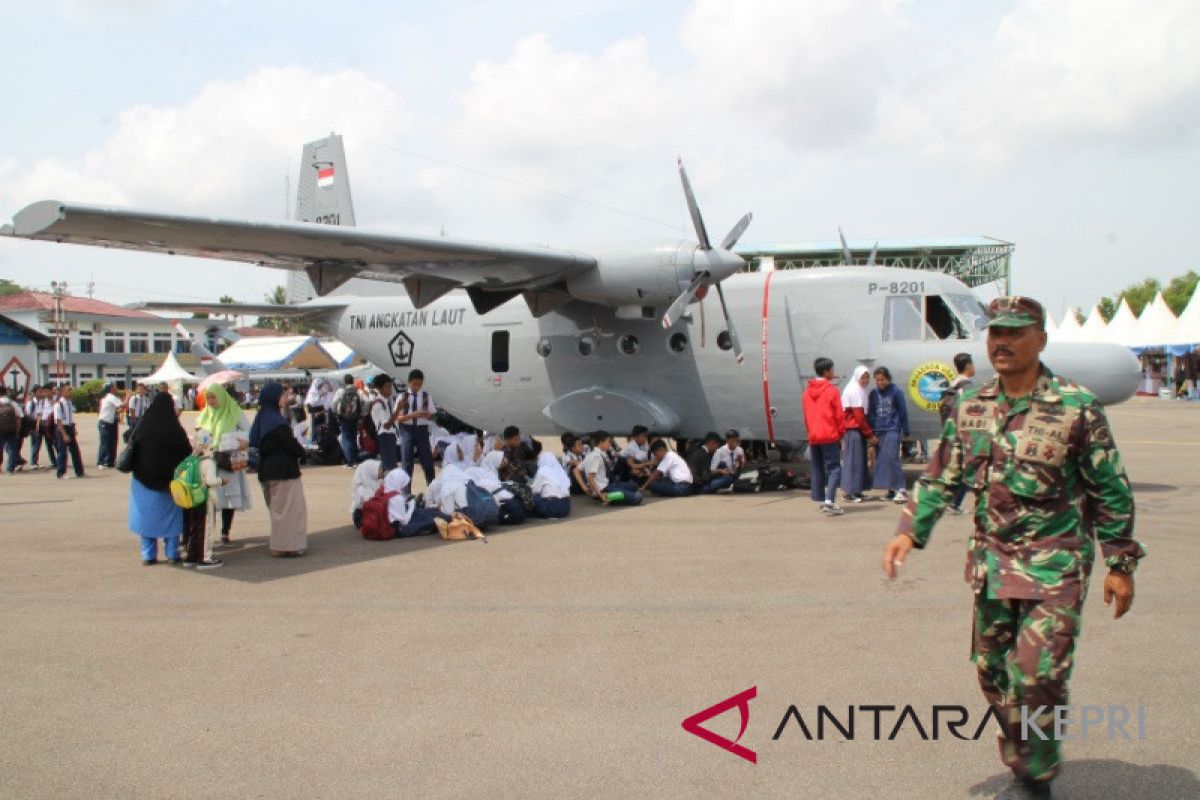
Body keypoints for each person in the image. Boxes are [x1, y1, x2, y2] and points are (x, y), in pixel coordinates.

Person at [882, 296, 1144, 800]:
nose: (1002, 342)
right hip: (992, 566)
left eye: (1015, 332)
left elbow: (1109, 488)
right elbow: (942, 476)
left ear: (1040, 340)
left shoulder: (1076, 406)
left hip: (1057, 567)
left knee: (1038, 675)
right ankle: (1025, 749)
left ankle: (1037, 774)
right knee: (994, 671)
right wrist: (909, 531)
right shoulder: (972, 405)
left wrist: (1120, 563)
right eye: (995, 333)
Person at [126, 392, 191, 565]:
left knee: (146, 518)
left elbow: (131, 441)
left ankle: (148, 555)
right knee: (171, 518)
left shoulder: (144, 425)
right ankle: (172, 553)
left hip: (143, 480)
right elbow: (186, 451)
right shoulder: (175, 429)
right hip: (170, 482)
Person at [251, 382, 308, 557]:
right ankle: (286, 546)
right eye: (282, 395)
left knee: (277, 510)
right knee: (290, 511)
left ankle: (280, 545)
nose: (285, 398)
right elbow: (290, 445)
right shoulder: (276, 421)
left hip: (267, 469)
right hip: (284, 470)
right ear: (274, 398)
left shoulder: (263, 417)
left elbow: (254, 441)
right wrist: (303, 452)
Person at [195, 383, 252, 544]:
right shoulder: (204, 415)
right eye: (209, 398)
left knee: (229, 497)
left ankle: (225, 531)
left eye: (214, 397)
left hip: (228, 460)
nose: (212, 401)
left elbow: (249, 432)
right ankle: (208, 533)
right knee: (210, 499)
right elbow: (198, 435)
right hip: (209, 461)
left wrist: (236, 439)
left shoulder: (234, 412)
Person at [802, 357, 846, 515]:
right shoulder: (832, 391)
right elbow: (839, 416)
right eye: (832, 370)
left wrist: (810, 432)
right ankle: (829, 501)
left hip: (814, 435)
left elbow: (806, 417)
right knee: (834, 468)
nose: (833, 373)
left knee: (817, 467)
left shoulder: (807, 393)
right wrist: (841, 433)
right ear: (827, 371)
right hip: (829, 434)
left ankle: (821, 499)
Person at [868, 366, 909, 504]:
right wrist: (871, 431)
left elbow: (903, 411)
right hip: (879, 430)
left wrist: (906, 429)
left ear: (888, 379)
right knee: (883, 461)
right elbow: (872, 413)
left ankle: (901, 490)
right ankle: (891, 490)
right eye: (877, 380)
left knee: (892, 459)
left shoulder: (896, 392)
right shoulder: (873, 394)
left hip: (892, 429)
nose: (880, 382)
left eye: (882, 380)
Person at [181, 441, 225, 569]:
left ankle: (192, 556)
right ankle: (205, 558)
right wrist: (221, 481)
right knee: (207, 528)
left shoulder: (192, 460)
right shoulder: (209, 462)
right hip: (205, 498)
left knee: (195, 527)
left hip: (193, 498)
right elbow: (211, 481)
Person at [943, 352, 977, 515]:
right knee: (970, 470)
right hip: (965, 433)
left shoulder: (953, 384)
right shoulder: (966, 386)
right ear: (969, 365)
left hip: (952, 431)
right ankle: (955, 502)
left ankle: (953, 501)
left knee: (960, 469)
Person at [840, 366, 876, 504]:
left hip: (858, 430)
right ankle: (849, 492)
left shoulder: (860, 390)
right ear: (857, 377)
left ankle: (857, 489)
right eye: (863, 377)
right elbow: (859, 416)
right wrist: (870, 434)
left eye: (867, 377)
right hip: (854, 430)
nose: (866, 380)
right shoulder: (854, 390)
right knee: (853, 462)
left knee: (860, 461)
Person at [395, 369, 437, 485]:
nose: (417, 387)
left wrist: (428, 416)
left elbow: (432, 415)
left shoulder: (426, 397)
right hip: (407, 430)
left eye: (420, 384)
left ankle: (431, 487)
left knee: (427, 461)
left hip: (422, 430)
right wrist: (412, 415)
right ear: (409, 382)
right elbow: (398, 418)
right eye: (414, 384)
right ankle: (406, 491)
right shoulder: (402, 397)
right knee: (407, 461)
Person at [578, 430, 642, 505]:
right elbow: (590, 477)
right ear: (601, 443)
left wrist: (584, 488)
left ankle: (609, 496)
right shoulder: (596, 457)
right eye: (608, 442)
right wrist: (600, 494)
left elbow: (576, 470)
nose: (610, 444)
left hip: (608, 485)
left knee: (634, 486)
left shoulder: (591, 455)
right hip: (604, 490)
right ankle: (606, 498)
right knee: (638, 496)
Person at [381, 467, 450, 537]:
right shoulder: (396, 498)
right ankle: (446, 521)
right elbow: (404, 521)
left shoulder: (385, 490)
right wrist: (411, 506)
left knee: (424, 513)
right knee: (429, 521)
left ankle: (445, 517)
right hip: (400, 529)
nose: (403, 486)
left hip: (394, 523)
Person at [529, 441, 572, 518]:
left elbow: (535, 490)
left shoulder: (542, 470)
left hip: (552, 507)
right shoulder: (561, 471)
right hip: (566, 508)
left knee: (533, 495)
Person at [332, 373, 364, 468]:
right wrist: (362, 413)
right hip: (355, 417)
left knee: (346, 438)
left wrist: (336, 412)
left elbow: (334, 402)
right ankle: (354, 461)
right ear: (352, 381)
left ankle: (350, 462)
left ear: (344, 381)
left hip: (344, 417)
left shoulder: (340, 391)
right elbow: (367, 401)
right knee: (353, 438)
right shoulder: (358, 391)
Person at [53, 384, 85, 479]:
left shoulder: (69, 403)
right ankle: (61, 473)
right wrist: (64, 434)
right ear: (62, 392)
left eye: (70, 390)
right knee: (62, 452)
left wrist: (73, 428)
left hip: (69, 427)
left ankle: (79, 472)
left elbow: (71, 418)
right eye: (68, 391)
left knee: (75, 451)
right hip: (62, 428)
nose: (70, 392)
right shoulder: (58, 404)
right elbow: (58, 421)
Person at [369, 374, 400, 471]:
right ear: (379, 389)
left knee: (392, 463)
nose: (390, 390)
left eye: (390, 387)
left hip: (391, 434)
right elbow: (386, 425)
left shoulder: (388, 400)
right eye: (387, 387)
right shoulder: (378, 403)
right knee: (389, 465)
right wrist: (399, 409)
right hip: (385, 435)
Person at [350, 458, 385, 529]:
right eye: (381, 470)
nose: (383, 473)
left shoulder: (379, 480)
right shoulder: (361, 487)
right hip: (362, 513)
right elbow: (367, 502)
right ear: (372, 470)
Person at [96, 384, 121, 470]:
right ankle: (100, 462)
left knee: (111, 443)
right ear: (111, 389)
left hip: (109, 423)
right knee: (105, 443)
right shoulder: (110, 397)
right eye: (114, 387)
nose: (115, 388)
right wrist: (128, 397)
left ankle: (110, 462)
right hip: (105, 423)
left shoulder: (107, 398)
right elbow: (121, 405)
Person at [0, 386, 23, 474]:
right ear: (6, 392)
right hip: (11, 429)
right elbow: (20, 416)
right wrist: (18, 429)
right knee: (12, 448)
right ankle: (10, 469)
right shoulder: (12, 403)